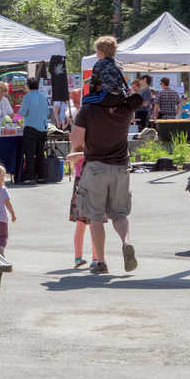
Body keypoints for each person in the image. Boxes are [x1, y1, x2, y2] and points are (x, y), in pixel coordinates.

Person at [70, 93, 137, 274]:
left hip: (96, 168)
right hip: (121, 167)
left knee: (96, 217)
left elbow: (76, 141)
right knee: (119, 214)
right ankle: (126, 242)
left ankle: (101, 262)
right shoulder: (125, 109)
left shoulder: (88, 110)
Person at [67, 147, 99, 269]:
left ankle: (96, 258)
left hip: (94, 185)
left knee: (94, 225)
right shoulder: (78, 150)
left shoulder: (97, 149)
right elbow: (69, 158)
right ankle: (78, 258)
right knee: (81, 225)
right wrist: (87, 152)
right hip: (81, 186)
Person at [20, 77, 49, 183]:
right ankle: (42, 176)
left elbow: (23, 112)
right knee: (40, 153)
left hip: (31, 127)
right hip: (43, 128)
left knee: (30, 154)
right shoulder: (43, 97)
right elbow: (47, 112)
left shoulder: (27, 97)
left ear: (28, 85)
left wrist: (17, 116)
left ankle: (30, 177)